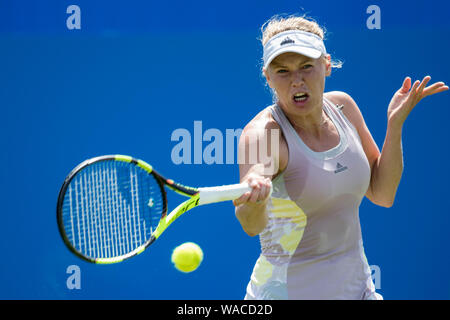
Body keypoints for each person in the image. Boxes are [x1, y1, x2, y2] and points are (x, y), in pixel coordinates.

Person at [233, 14, 448, 300]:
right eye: (282, 71)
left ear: (327, 65)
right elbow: (251, 225)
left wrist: (394, 126)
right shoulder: (264, 134)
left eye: (307, 66)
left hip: (358, 291)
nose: (296, 81)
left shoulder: (343, 107)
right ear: (268, 76)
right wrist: (254, 201)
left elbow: (383, 193)